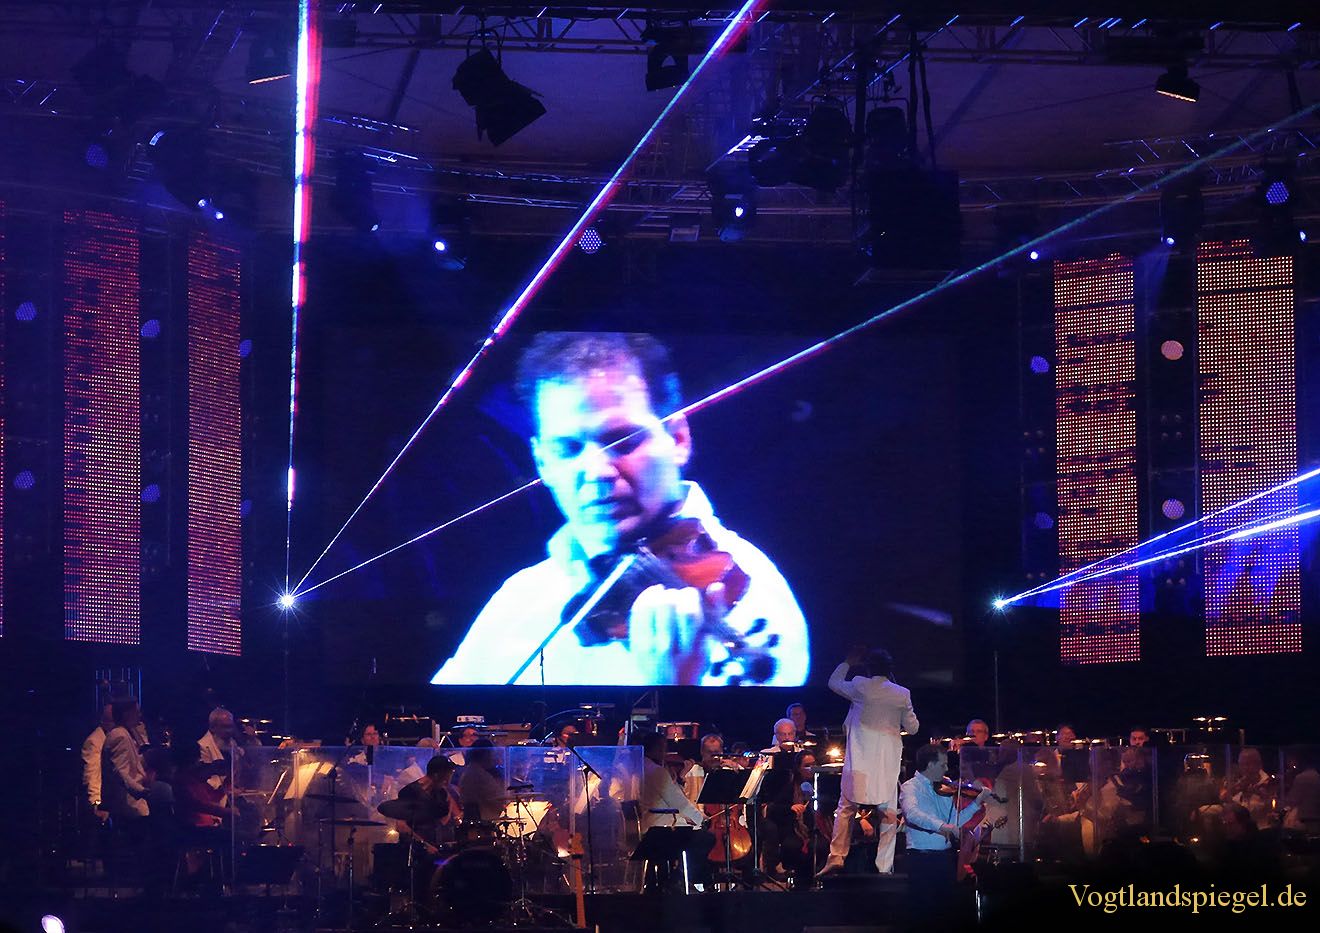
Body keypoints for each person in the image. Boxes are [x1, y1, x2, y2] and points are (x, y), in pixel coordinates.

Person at [431, 332, 809, 687]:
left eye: (623, 441)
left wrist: (674, 689)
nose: (596, 471)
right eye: (568, 449)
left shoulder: (744, 591)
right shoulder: (521, 595)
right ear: (542, 462)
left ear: (678, 438)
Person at [817, 647, 918, 876]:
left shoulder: (860, 686)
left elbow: (834, 682)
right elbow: (913, 728)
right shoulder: (901, 693)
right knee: (888, 814)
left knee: (846, 808)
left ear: (868, 669)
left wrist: (847, 662)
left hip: (860, 762)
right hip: (885, 763)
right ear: (890, 669)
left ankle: (837, 857)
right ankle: (884, 866)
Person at [900, 744, 993, 930]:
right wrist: (942, 826)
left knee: (945, 913)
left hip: (944, 858)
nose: (946, 769)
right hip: (922, 859)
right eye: (942, 764)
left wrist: (976, 802)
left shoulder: (944, 789)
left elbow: (954, 822)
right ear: (930, 764)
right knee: (924, 914)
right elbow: (912, 814)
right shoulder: (910, 787)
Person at [639, 732, 714, 886]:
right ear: (658, 748)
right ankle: (678, 878)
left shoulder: (638, 767)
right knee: (706, 838)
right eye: (664, 748)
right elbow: (679, 803)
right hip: (658, 827)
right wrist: (701, 819)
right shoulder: (657, 771)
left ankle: (676, 879)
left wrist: (680, 777)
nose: (666, 753)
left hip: (644, 824)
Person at [101, 698, 150, 824]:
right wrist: (140, 791)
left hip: (128, 806)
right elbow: (120, 771)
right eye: (136, 712)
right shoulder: (120, 735)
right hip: (129, 806)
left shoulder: (122, 733)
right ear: (127, 714)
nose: (140, 715)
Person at [459, 740, 507, 823]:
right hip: (483, 822)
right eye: (493, 754)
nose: (494, 758)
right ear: (485, 755)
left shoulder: (473, 771)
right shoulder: (478, 775)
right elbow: (498, 799)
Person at [81, 704, 115, 819]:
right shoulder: (94, 741)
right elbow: (92, 773)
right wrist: (96, 804)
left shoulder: (116, 737)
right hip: (106, 799)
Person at [198, 707, 238, 790]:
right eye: (225, 727)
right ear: (212, 727)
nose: (229, 731)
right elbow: (207, 780)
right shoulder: (202, 746)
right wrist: (227, 789)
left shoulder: (232, 743)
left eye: (230, 727)